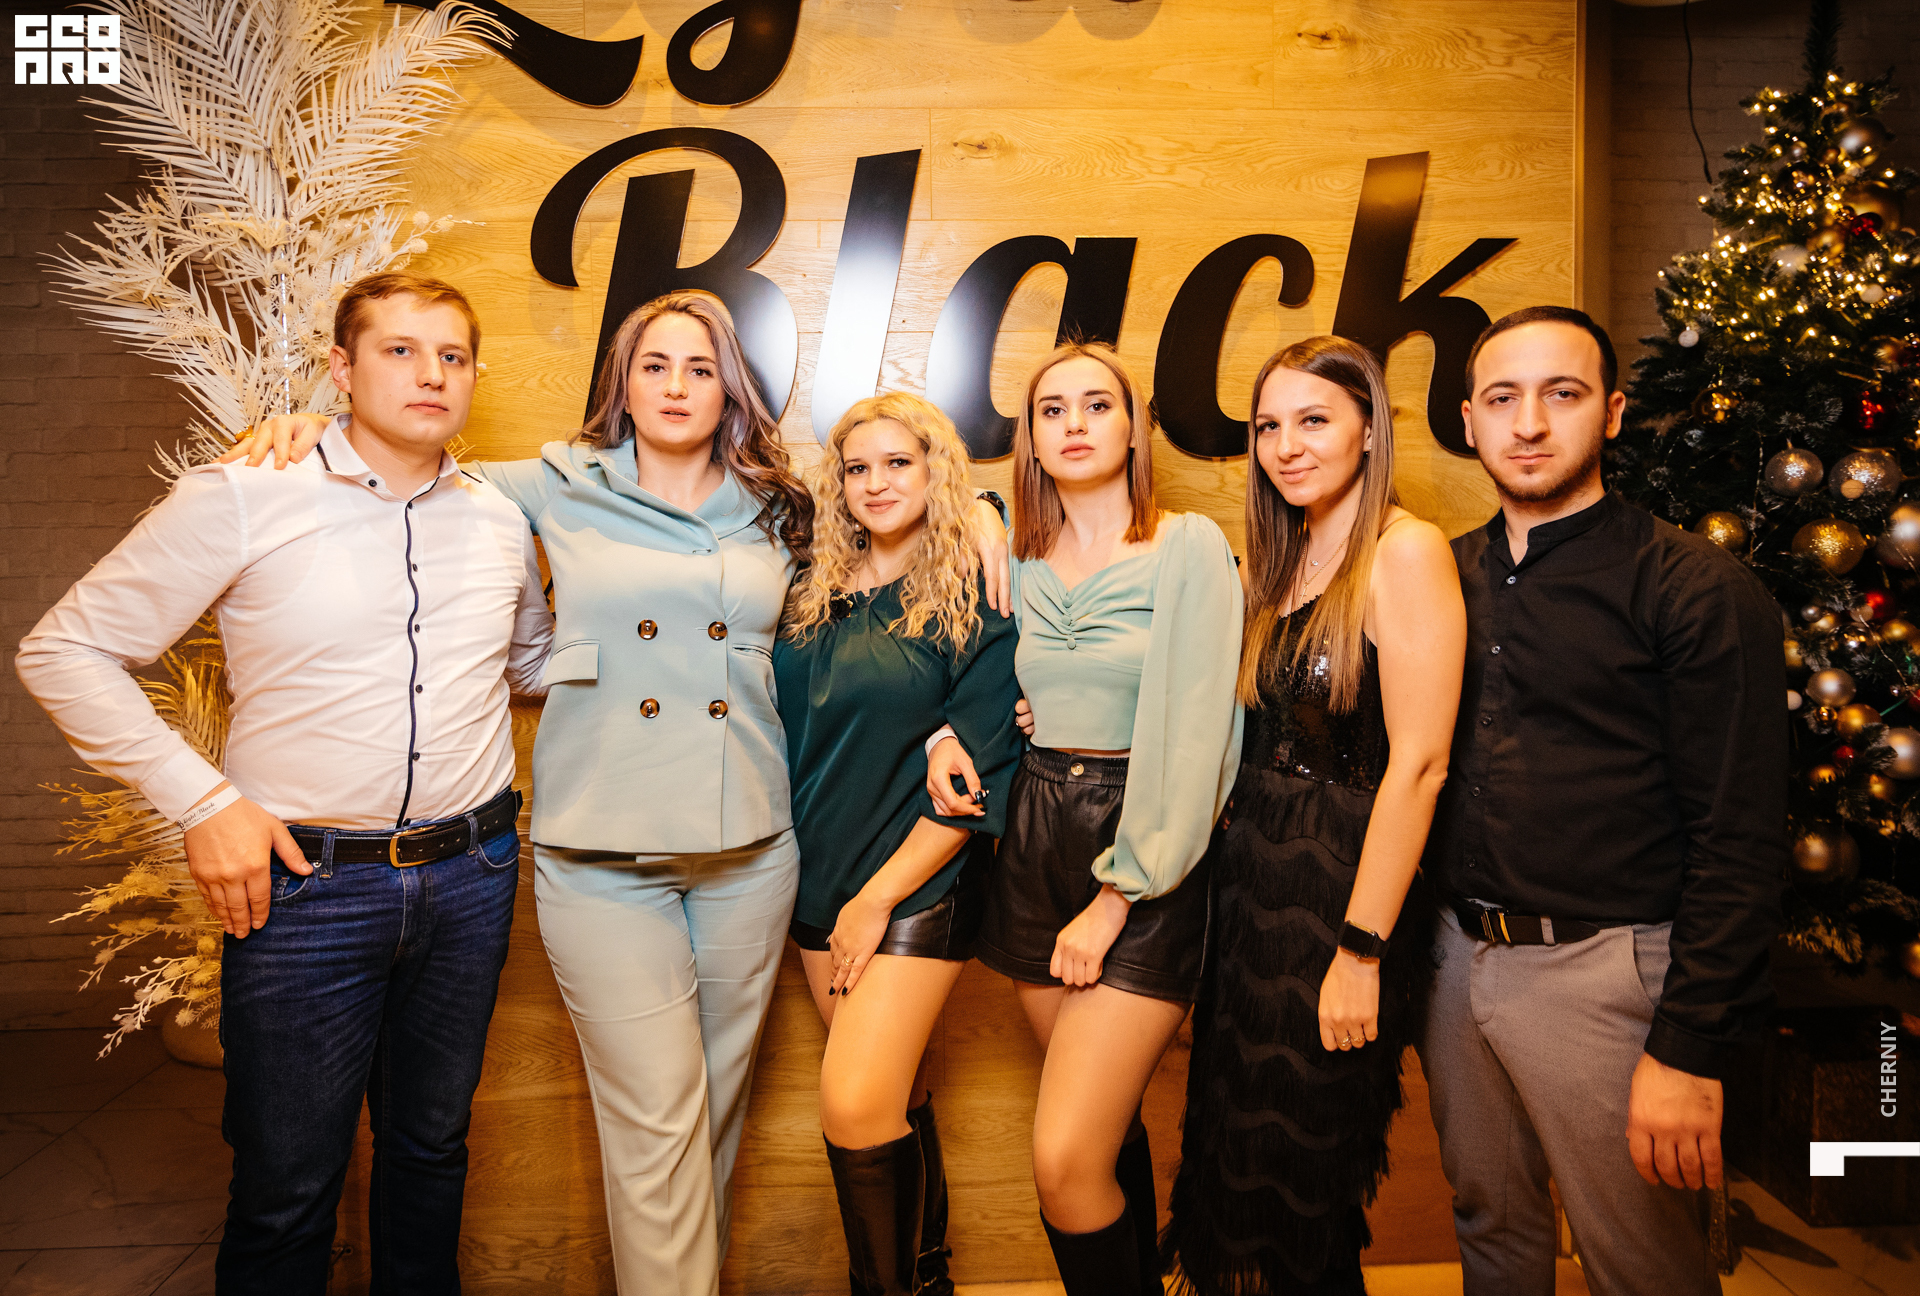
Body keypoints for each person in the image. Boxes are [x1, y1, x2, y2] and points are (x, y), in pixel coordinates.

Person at [234, 291, 1008, 1294]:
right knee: (656, 1119)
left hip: (748, 848)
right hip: (601, 844)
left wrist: (983, 515)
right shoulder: (555, 482)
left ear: (729, 389)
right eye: (655, 366)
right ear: (624, 385)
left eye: (700, 368)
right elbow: (406, 466)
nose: (678, 387)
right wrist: (318, 426)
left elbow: (897, 521)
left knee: (712, 1116)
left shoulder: (782, 505)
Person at [16, 271, 553, 1294]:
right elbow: (64, 651)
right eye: (399, 350)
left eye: (452, 355)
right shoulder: (245, 492)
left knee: (432, 1152)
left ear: (475, 376)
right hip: (307, 886)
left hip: (473, 873)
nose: (431, 374)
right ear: (342, 370)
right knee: (287, 1188)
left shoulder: (497, 521)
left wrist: (694, 639)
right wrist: (206, 802)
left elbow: (529, 663)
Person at [1419, 306, 1786, 1296]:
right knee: (1490, 1226)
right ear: (1469, 419)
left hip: (1607, 973)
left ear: (1612, 413)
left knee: (1641, 1263)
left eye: (1563, 393)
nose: (1530, 423)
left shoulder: (1694, 586)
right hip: (1453, 961)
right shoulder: (1442, 576)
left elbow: (1740, 836)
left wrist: (1688, 1049)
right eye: (1504, 398)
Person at [926, 341, 1243, 1296]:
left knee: (1064, 1162)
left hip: (1144, 841)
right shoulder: (1015, 557)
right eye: (1051, 409)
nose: (1073, 424)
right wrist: (952, 730)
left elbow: (1202, 735)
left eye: (1097, 405)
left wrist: (1117, 897)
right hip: (1034, 834)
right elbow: (941, 645)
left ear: (1135, 427)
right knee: (1105, 1133)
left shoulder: (1188, 546)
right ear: (1028, 437)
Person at [1160, 336, 1464, 1293]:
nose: (1286, 446)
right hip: (1251, 897)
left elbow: (1420, 766)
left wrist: (1362, 953)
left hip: (1338, 904)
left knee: (1302, 1189)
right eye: (1268, 426)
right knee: (1232, 1168)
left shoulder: (1404, 551)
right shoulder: (1281, 555)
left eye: (1314, 420)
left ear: (1369, 431)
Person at [774, 392, 1023, 1296]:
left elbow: (981, 773)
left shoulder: (974, 591)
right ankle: (927, 1276)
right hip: (818, 878)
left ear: (935, 472)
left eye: (898, 464)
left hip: (916, 884)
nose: (876, 483)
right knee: (898, 1093)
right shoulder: (809, 587)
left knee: (853, 1105)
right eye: (857, 468)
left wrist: (876, 900)